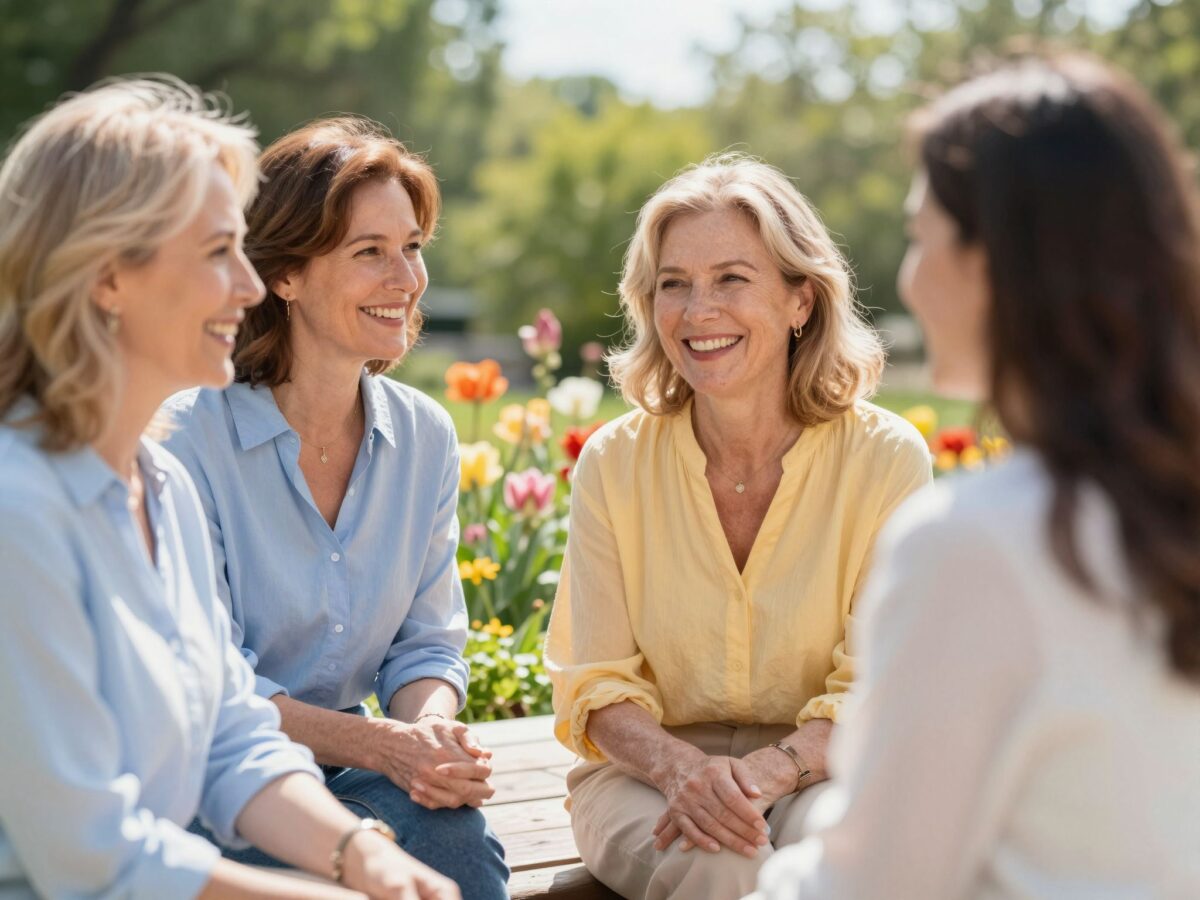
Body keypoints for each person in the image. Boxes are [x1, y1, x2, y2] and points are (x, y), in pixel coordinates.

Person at [749, 54, 1200, 900]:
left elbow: (874, 886)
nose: (910, 280)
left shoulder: (978, 544)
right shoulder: (1161, 507)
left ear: (997, 259)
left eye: (922, 239)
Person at [0, 78, 458, 899]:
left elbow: (230, 740)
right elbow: (90, 858)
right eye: (218, 253)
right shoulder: (19, 513)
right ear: (107, 277)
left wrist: (371, 862)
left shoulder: (160, 483)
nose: (250, 287)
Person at [543, 154, 933, 899]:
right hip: (643, 776)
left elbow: (881, 685)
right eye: (674, 285)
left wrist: (764, 774)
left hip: (825, 766)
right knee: (719, 862)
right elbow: (594, 684)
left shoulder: (884, 459)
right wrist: (685, 773)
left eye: (731, 279)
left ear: (801, 302)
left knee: (855, 858)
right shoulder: (614, 463)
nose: (698, 312)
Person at [161, 116, 508, 897]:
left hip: (356, 772)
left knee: (454, 843)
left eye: (412, 247)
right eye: (369, 253)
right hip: (210, 788)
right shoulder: (185, 441)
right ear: (283, 275)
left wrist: (428, 733)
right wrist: (383, 745)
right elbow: (212, 691)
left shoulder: (425, 435)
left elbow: (425, 646)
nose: (407, 279)